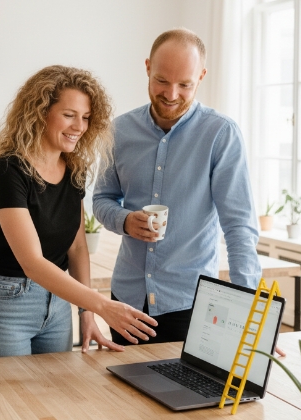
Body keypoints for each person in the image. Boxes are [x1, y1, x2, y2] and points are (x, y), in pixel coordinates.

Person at [0, 65, 158, 359]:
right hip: (7, 305)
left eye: (85, 118)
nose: (79, 127)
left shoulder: (74, 170)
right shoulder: (8, 171)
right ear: (40, 111)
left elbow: (77, 246)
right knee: (8, 405)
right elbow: (31, 262)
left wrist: (86, 312)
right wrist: (101, 304)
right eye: (69, 115)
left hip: (59, 303)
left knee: (53, 400)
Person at [93, 28, 262, 346]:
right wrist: (126, 221)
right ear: (147, 67)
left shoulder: (220, 135)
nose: (171, 94)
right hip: (126, 301)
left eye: (184, 84)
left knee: (186, 393)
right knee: (118, 395)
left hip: (189, 305)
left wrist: (250, 312)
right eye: (161, 81)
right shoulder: (120, 131)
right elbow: (102, 199)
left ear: (201, 76)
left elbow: (239, 228)